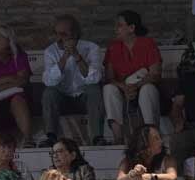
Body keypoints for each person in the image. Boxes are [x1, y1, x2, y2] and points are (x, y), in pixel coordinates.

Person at [41, 15, 104, 143]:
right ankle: (51, 137)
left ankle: (97, 137)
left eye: (64, 34)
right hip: (62, 98)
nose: (59, 38)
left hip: (84, 97)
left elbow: (94, 78)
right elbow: (49, 81)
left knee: (94, 90)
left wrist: (76, 55)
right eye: (56, 33)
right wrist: (65, 56)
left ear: (75, 33)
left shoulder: (91, 48)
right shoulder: (50, 51)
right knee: (49, 93)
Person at [103, 11, 161, 143]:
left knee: (147, 89)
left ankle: (151, 135)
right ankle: (118, 137)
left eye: (120, 25)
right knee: (108, 89)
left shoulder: (147, 43)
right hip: (123, 90)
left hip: (143, 86)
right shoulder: (113, 47)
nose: (116, 29)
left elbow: (155, 74)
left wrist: (135, 87)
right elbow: (110, 78)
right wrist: (124, 87)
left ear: (131, 28)